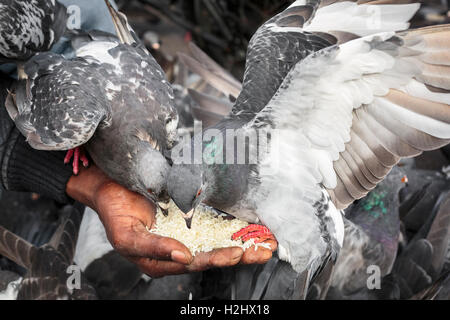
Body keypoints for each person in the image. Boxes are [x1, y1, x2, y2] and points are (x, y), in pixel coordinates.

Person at [0, 0, 275, 279]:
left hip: (93, 38)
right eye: (160, 197)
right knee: (64, 125)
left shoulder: (166, 118)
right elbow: (32, 79)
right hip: (52, 51)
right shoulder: (80, 119)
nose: (163, 206)